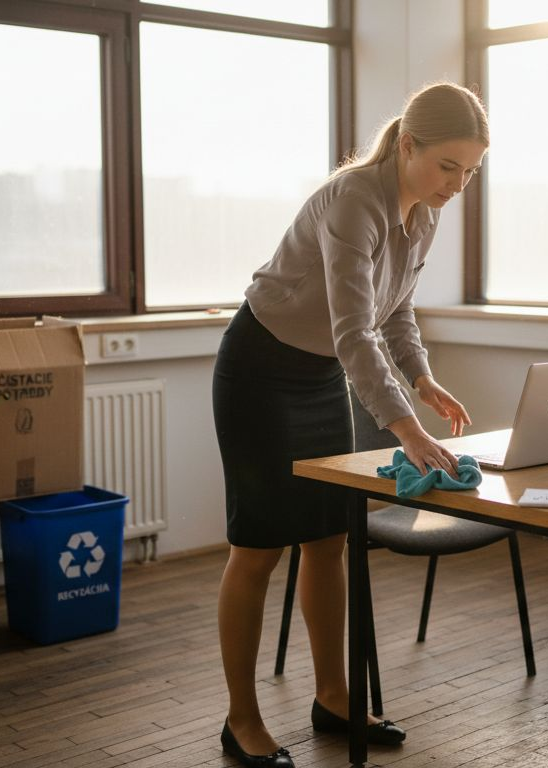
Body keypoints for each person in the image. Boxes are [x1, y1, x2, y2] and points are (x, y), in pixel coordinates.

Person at [211, 82, 488, 768]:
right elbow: (355, 332)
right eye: (448, 166)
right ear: (408, 145)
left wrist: (421, 378)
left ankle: (333, 697)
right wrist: (407, 431)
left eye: (471, 172)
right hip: (258, 371)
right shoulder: (353, 200)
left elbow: (396, 311)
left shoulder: (423, 212)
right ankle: (241, 719)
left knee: (329, 539)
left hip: (318, 376)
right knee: (258, 548)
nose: (458, 185)